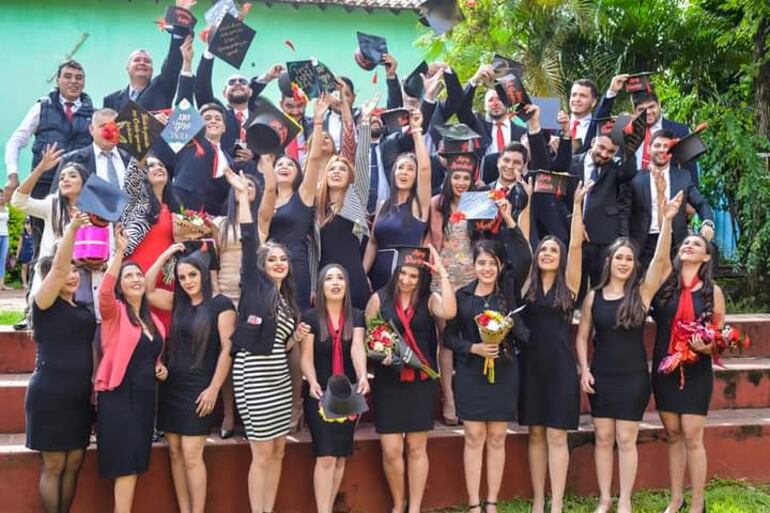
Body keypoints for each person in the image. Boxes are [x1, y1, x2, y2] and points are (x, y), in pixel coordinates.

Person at [575, 191, 683, 513]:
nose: (624, 263)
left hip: (634, 378)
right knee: (604, 438)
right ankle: (605, 500)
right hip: (602, 377)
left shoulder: (642, 293)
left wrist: (666, 220)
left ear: (634, 265)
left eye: (629, 259)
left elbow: (662, 261)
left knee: (625, 440)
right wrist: (585, 370)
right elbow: (582, 338)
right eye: (618, 257)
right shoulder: (593, 297)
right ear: (609, 261)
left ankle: (624, 502)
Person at [227, 169, 309, 513]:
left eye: (283, 260)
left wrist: (296, 337)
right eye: (272, 259)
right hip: (254, 374)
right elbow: (249, 238)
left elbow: (283, 345)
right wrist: (244, 198)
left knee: (279, 448)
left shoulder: (290, 300)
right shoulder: (253, 286)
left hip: (279, 376)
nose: (279, 263)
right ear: (262, 265)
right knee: (261, 453)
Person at [444, 198, 531, 513]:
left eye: (492, 263)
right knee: (473, 437)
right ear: (474, 265)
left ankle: (491, 502)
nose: (486, 268)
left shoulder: (507, 292)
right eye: (481, 263)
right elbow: (449, 337)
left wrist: (509, 219)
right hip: (470, 373)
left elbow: (524, 255)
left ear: (499, 266)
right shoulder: (462, 296)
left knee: (497, 438)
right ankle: (472, 503)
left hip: (505, 370)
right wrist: (474, 348)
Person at [144, 243, 236, 513]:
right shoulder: (177, 301)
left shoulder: (221, 304)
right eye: (182, 277)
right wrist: (164, 255)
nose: (187, 282)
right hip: (172, 384)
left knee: (192, 455)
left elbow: (227, 350)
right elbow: (147, 291)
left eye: (192, 275)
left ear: (204, 274)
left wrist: (213, 389)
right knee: (174, 451)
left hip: (201, 386)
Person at [365, 245, 456, 513]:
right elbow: (369, 338)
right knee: (391, 449)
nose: (406, 280)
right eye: (403, 274)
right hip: (388, 380)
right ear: (395, 273)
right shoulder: (379, 299)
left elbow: (449, 312)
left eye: (413, 276)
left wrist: (442, 274)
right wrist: (379, 352)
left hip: (421, 380)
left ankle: (414, 507)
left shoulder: (429, 299)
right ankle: (398, 503)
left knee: (417, 447)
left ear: (421, 278)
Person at [518, 182, 590, 513]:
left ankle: (557, 502)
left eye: (552, 251)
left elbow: (575, 245)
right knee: (535, 434)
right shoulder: (527, 282)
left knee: (557, 436)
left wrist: (577, 204)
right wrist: (528, 200)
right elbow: (522, 236)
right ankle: (537, 499)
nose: (547, 253)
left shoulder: (570, 284)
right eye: (543, 250)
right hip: (530, 366)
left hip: (561, 367)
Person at [94, 227, 168, 513]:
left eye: (139, 275)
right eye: (130, 276)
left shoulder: (154, 322)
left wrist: (160, 367)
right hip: (119, 396)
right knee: (125, 463)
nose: (136, 279)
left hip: (145, 399)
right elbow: (104, 291)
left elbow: (150, 356)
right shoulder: (116, 313)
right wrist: (121, 254)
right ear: (121, 285)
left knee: (135, 461)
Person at [25, 212, 94, 513]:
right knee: (54, 465)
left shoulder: (81, 308)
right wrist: (74, 230)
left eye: (76, 271)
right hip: (50, 394)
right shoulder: (44, 304)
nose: (72, 275)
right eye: (68, 271)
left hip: (79, 396)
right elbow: (58, 267)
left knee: (75, 461)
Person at [652, 235, 724, 513]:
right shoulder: (665, 286)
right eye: (685, 243)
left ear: (706, 257)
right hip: (665, 367)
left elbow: (719, 338)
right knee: (672, 433)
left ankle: (697, 504)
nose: (688, 246)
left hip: (696, 371)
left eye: (696, 244)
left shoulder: (712, 291)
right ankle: (676, 499)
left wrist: (706, 347)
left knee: (693, 436)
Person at [4, 60, 94, 271]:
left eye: (78, 78)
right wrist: (13, 175)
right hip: (44, 187)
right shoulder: (42, 107)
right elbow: (16, 141)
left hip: (80, 191)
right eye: (68, 76)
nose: (73, 82)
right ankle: (35, 300)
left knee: (80, 244)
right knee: (41, 244)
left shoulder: (93, 113)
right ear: (58, 79)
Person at [211, 156, 276, 439]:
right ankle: (228, 412)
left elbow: (272, 191)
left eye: (251, 186)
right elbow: (212, 261)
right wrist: (215, 294)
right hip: (225, 295)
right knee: (228, 352)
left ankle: (252, 414)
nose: (245, 188)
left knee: (249, 357)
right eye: (242, 185)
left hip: (252, 296)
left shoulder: (260, 220)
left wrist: (266, 160)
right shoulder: (220, 223)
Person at [300, 264, 369, 513]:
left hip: (348, 391)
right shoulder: (310, 317)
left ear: (347, 286)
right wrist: (312, 381)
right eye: (329, 278)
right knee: (326, 455)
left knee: (340, 456)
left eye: (340, 278)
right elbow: (305, 357)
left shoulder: (357, 316)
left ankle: (328, 508)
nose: (335, 282)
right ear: (321, 286)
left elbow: (357, 348)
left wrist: (362, 375)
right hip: (319, 391)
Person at [314, 95, 379, 310]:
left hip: (354, 279)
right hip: (324, 278)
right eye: (332, 168)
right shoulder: (316, 206)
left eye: (342, 169)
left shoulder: (355, 199)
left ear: (349, 177)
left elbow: (361, 161)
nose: (336, 172)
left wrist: (366, 123)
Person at [425, 163, 477, 425]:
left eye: (466, 177)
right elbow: (427, 239)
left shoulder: (478, 203)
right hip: (441, 279)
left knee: (469, 339)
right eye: (456, 176)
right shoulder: (437, 203)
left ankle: (469, 398)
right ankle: (449, 398)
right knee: (446, 340)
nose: (461, 182)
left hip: (472, 279)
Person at [623, 130, 714, 269]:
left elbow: (701, 204)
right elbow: (624, 213)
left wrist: (707, 222)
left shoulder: (683, 176)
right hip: (643, 243)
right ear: (649, 148)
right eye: (657, 145)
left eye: (666, 146)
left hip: (676, 243)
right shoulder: (635, 179)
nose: (662, 150)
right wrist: (625, 242)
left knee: (674, 287)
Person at [364, 109, 431, 291]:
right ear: (393, 173)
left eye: (410, 169)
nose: (404, 172)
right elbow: (372, 243)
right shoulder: (382, 205)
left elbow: (425, 170)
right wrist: (363, 274)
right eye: (400, 168)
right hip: (378, 280)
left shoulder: (419, 204)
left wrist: (416, 131)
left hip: (408, 281)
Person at [570, 131, 637, 296]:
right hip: (573, 236)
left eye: (611, 152)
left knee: (600, 287)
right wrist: (575, 222)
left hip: (604, 238)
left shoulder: (616, 170)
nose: (604, 154)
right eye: (601, 147)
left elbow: (629, 173)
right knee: (573, 287)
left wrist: (630, 145)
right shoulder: (571, 164)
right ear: (593, 141)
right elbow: (560, 201)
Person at [11, 144, 82, 294]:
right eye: (62, 178)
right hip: (49, 276)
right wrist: (41, 168)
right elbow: (18, 201)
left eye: (72, 176)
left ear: (84, 182)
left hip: (80, 278)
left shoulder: (93, 212)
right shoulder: (52, 205)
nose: (65, 180)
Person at [103, 1, 193, 113]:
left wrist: (180, 13)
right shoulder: (111, 100)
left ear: (152, 70)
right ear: (127, 68)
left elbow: (172, 64)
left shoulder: (162, 88)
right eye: (137, 60)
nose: (142, 63)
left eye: (147, 61)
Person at [122, 156, 179, 331]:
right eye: (151, 166)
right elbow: (131, 177)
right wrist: (146, 137)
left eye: (161, 164)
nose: (158, 167)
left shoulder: (173, 209)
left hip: (164, 284)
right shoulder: (135, 203)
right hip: (136, 279)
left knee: (164, 336)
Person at [172, 102, 234, 216]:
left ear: (224, 127)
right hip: (182, 207)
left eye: (218, 119)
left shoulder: (229, 160)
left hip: (212, 218)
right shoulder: (188, 142)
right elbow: (182, 104)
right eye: (207, 118)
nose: (213, 121)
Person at [49, 108, 132, 193]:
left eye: (114, 126)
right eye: (103, 126)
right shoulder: (73, 159)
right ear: (91, 129)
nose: (109, 131)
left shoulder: (132, 159)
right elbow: (56, 198)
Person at [16, 217, 34, 289]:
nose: (27, 226)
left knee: (31, 268)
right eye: (26, 224)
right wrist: (17, 254)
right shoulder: (23, 234)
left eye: (29, 224)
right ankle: (24, 283)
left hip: (32, 253)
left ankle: (30, 282)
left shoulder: (35, 234)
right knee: (24, 268)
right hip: (25, 253)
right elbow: (20, 245)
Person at [0, 196, 9, 290]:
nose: (1, 197)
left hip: (5, 235)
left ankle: (1, 284)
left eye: (2, 195)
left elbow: (6, 223)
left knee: (2, 260)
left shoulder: (6, 209)